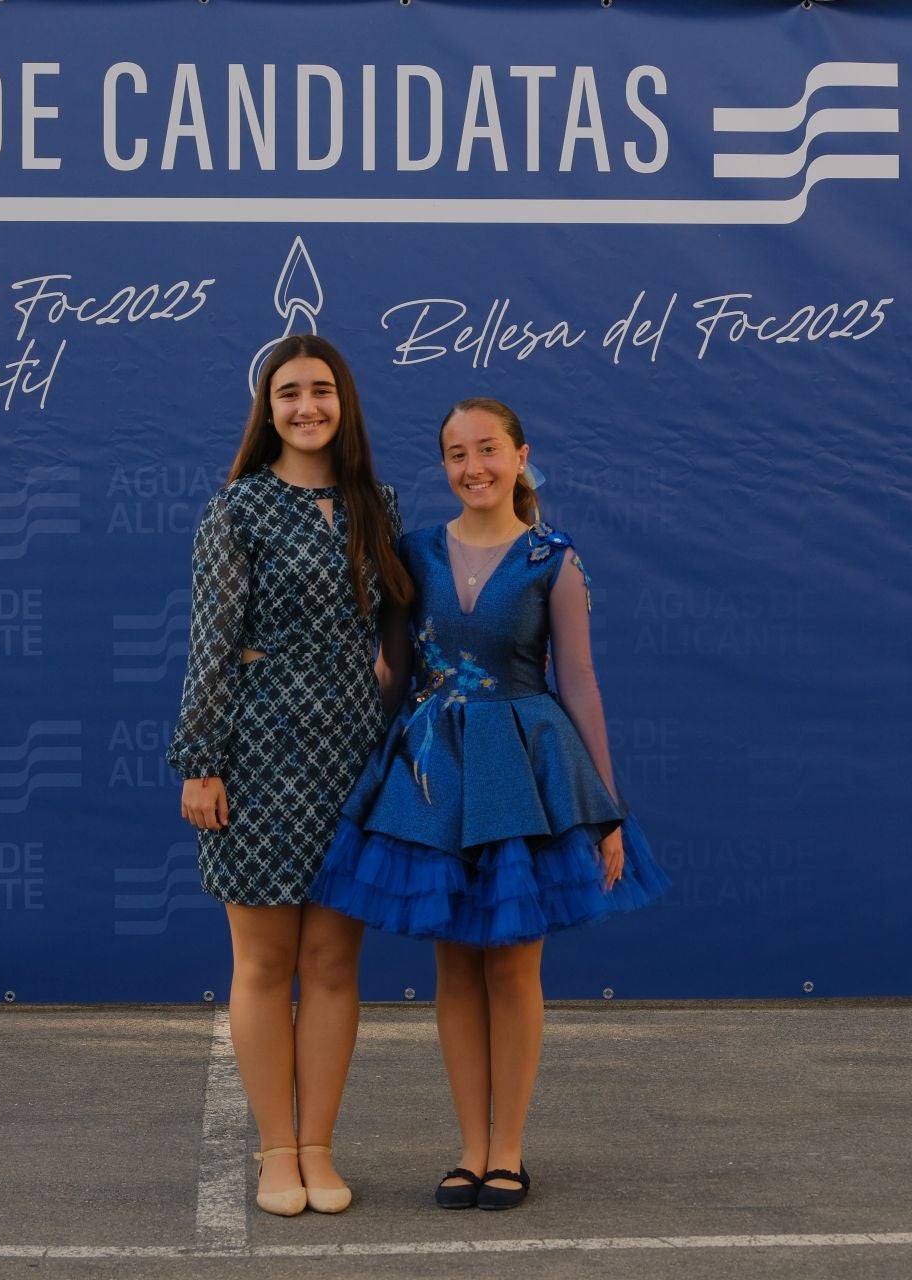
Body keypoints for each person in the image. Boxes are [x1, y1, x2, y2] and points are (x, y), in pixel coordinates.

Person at [310, 397, 668, 1211]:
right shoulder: (414, 553)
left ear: (519, 456)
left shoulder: (554, 558)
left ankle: (509, 1149)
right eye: (455, 454)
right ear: (443, 466)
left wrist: (607, 808)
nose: (472, 467)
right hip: (434, 773)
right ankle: (469, 1148)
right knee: (453, 970)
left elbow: (577, 681)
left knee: (512, 967)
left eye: (488, 450)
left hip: (524, 774)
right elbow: (390, 676)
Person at [168, 335, 413, 1218]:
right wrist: (200, 761)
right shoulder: (237, 509)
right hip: (259, 757)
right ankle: (276, 1150)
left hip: (352, 760)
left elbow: (398, 636)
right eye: (287, 394)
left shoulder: (375, 506)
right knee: (266, 962)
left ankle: (320, 1146)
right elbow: (211, 642)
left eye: (320, 391)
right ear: (265, 409)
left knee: (335, 963)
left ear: (343, 402)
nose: (306, 407)